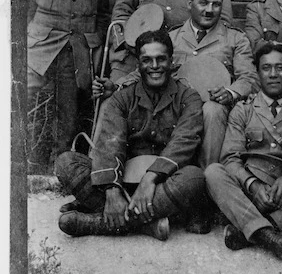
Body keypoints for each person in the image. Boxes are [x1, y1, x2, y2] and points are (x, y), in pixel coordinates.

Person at [56, 30, 208, 239]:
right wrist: (112, 190)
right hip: (123, 180)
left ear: (171, 62)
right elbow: (111, 143)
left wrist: (150, 180)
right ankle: (146, 224)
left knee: (195, 178)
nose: (154, 66)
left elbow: (184, 141)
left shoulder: (188, 97)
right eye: (147, 60)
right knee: (65, 162)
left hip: (162, 185)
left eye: (161, 59)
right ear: (138, 64)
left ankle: (98, 223)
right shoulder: (122, 98)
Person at [205, 43, 282, 266]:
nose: (273, 74)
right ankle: (270, 235)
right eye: (266, 68)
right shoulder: (243, 110)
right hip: (251, 194)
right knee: (213, 172)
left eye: (280, 68)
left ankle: (250, 230)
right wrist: (252, 184)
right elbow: (230, 158)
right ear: (258, 73)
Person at [27, 0, 110, 171]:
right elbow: (23, 9)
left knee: (70, 112)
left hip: (78, 51)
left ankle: (63, 168)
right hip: (41, 49)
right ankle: (30, 165)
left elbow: (102, 14)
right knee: (31, 104)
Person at [170, 0, 259, 167]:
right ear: (189, 4)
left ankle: (209, 177)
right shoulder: (171, 38)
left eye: (216, 4)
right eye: (203, 3)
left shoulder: (235, 38)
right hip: (177, 107)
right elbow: (144, 71)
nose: (209, 10)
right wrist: (119, 84)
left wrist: (230, 92)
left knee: (213, 110)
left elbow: (249, 78)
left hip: (214, 110)